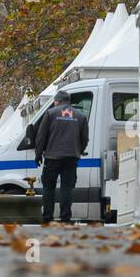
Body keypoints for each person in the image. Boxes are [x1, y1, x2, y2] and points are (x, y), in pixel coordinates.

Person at [34, 91, 89, 224]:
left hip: (52, 157)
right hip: (71, 158)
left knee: (48, 187)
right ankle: (65, 218)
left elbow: (41, 137)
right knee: (67, 188)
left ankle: (48, 218)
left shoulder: (50, 113)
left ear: (57, 101)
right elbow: (85, 139)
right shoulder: (80, 116)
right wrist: (79, 151)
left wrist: (38, 154)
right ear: (68, 101)